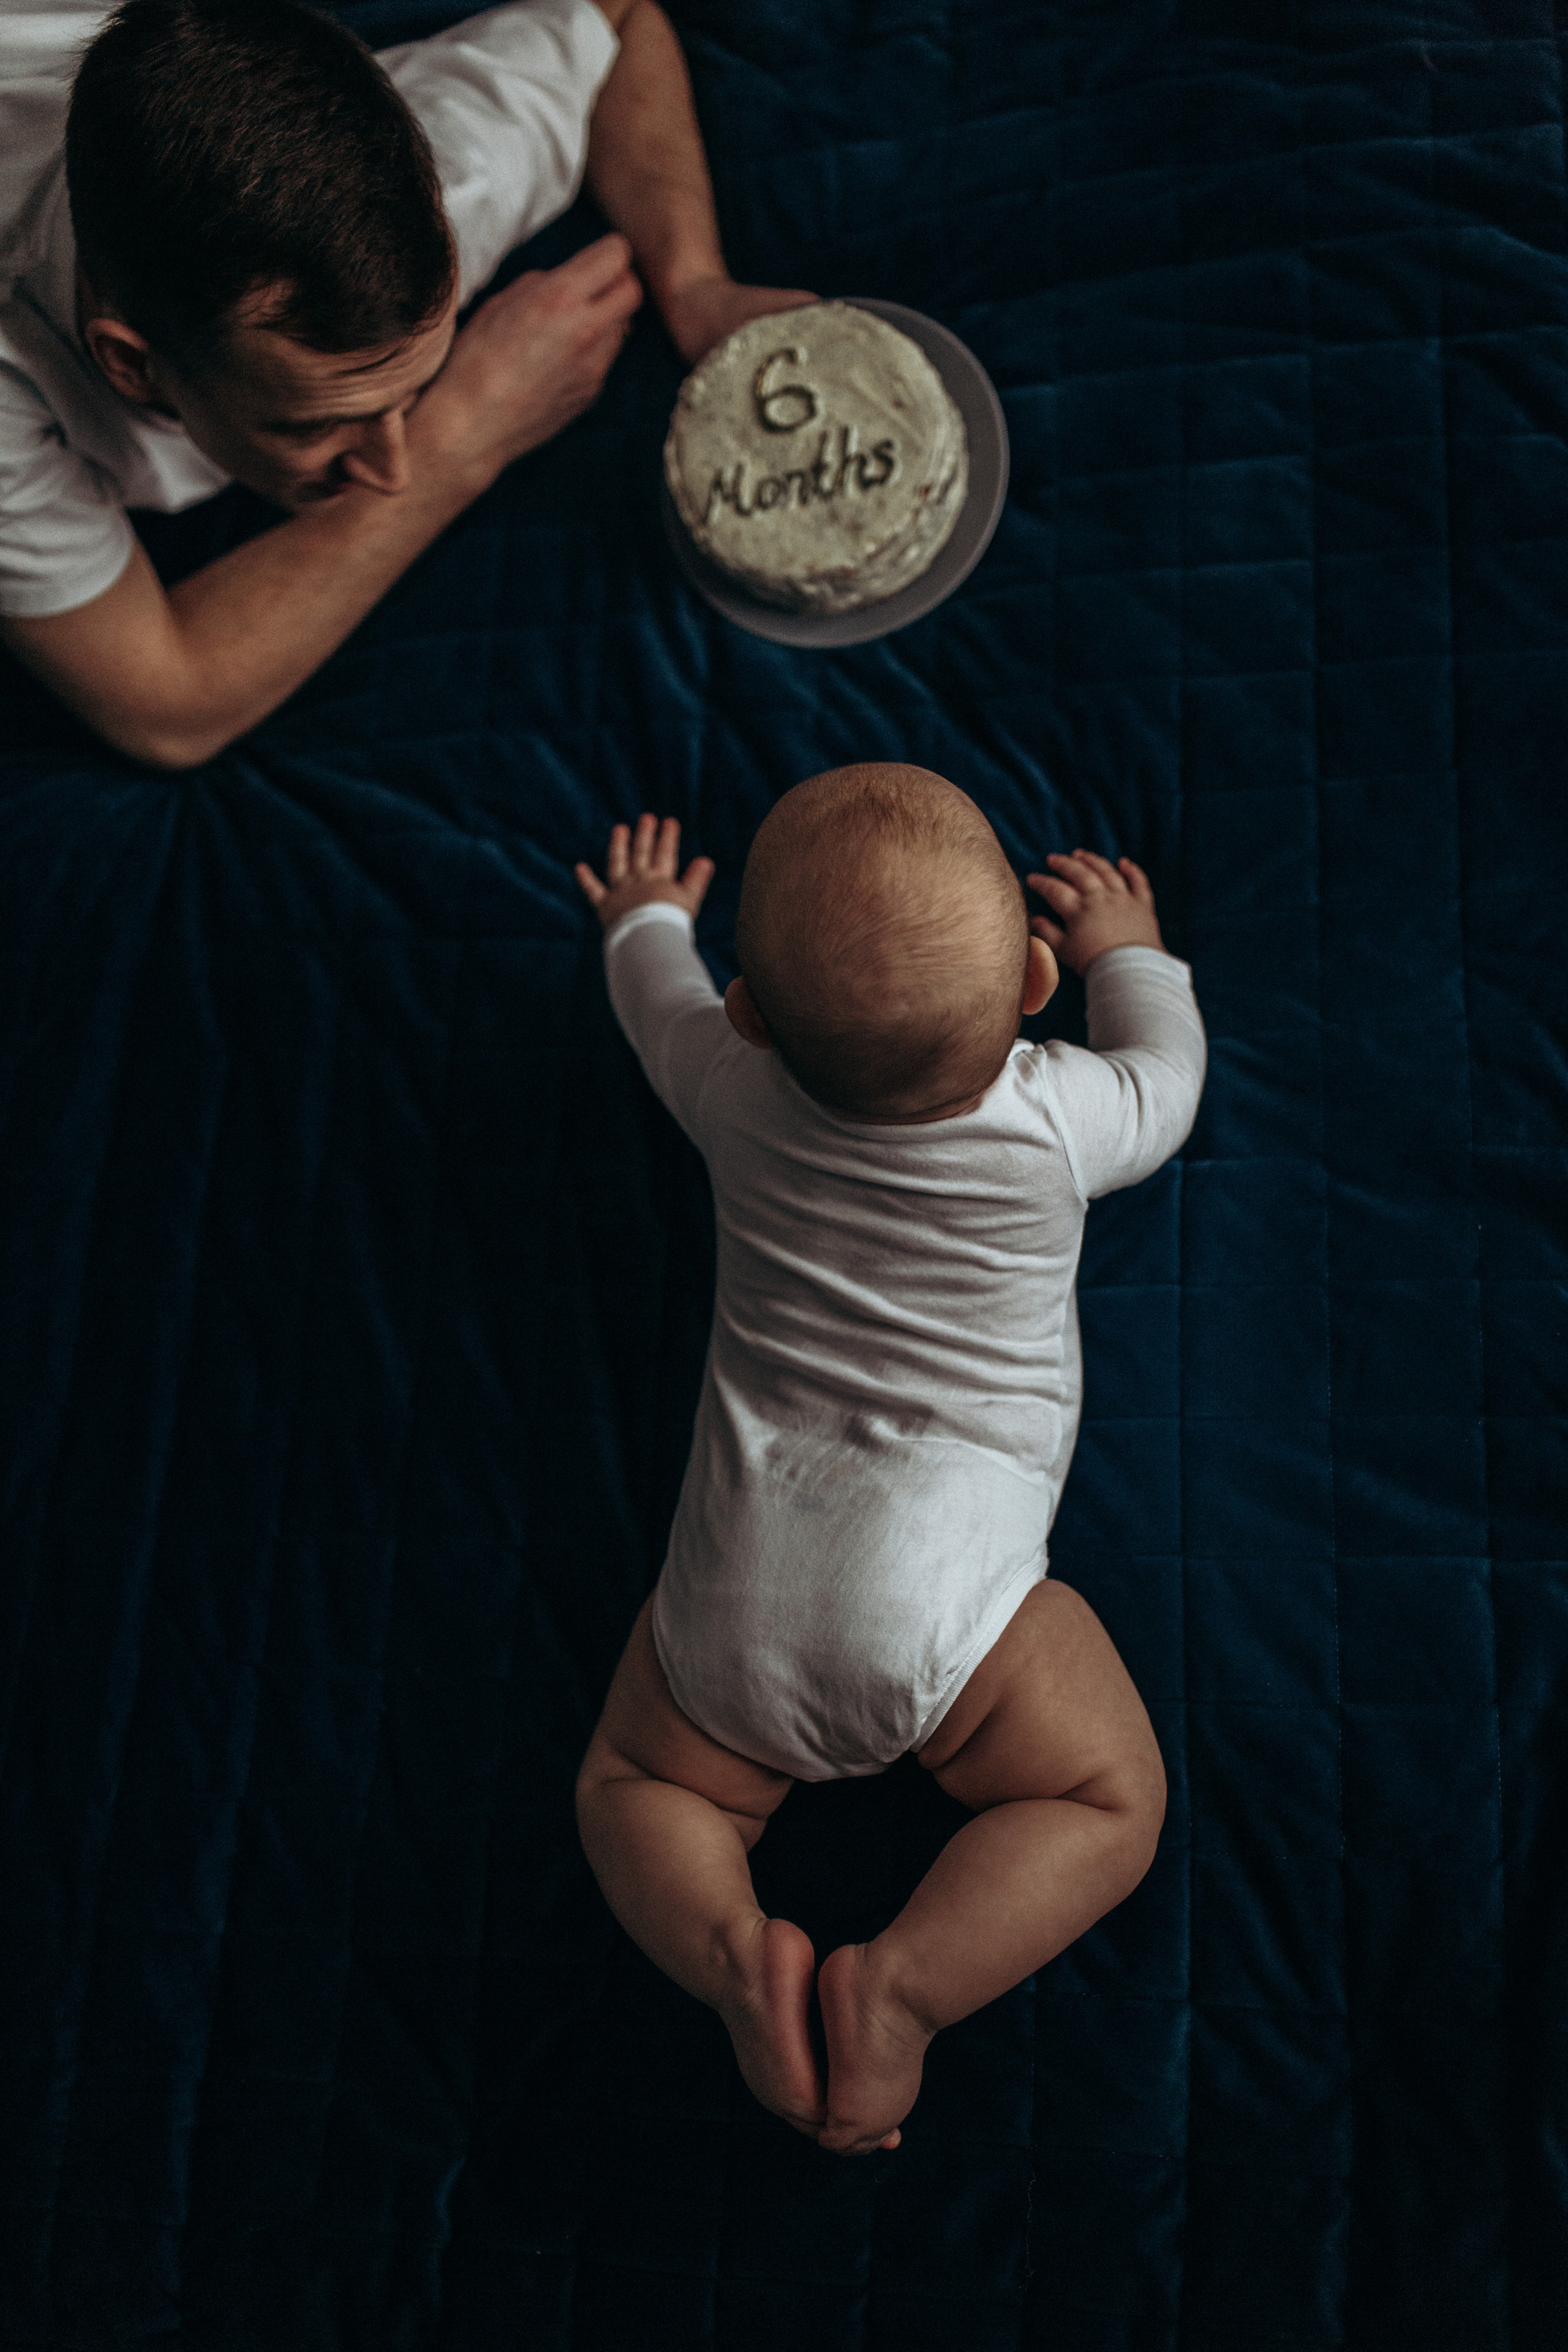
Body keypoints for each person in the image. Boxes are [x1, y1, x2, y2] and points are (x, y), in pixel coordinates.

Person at [571, 766, 1207, 2155]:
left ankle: (742, 1959)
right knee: (1104, 1800)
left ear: (750, 1014)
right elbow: (1168, 1083)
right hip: (944, 1605)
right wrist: (1131, 954)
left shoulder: (728, 1084)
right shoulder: (1057, 1122)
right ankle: (904, 1987)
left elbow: (651, 1009)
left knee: (637, 1785)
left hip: (732, 1591)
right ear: (1032, 980)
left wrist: (639, 922)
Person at [0, 0, 806, 767]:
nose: (389, 467)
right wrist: (463, 435)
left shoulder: (458, 173)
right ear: (134, 365)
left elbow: (620, 22)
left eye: (409, 395)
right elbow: (165, 710)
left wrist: (694, 284)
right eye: (313, 424)